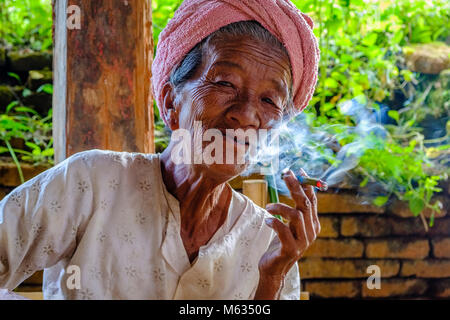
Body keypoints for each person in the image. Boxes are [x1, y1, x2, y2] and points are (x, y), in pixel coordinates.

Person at [0, 0, 320, 299]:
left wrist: (270, 282)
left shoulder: (267, 242)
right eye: (225, 84)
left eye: (269, 101)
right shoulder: (88, 183)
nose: (247, 114)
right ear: (171, 101)